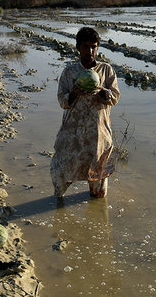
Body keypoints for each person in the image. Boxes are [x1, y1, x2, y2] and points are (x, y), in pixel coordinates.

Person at [50, 27, 120, 198]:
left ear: (97, 48)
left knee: (98, 183)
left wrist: (103, 91)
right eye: (86, 46)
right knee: (62, 175)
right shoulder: (69, 72)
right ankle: (59, 203)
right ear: (78, 48)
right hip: (73, 134)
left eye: (93, 47)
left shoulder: (106, 70)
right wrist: (74, 93)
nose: (90, 51)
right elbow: (62, 101)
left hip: (98, 135)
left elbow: (115, 97)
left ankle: (96, 205)